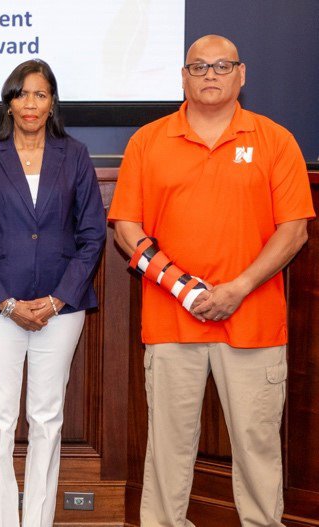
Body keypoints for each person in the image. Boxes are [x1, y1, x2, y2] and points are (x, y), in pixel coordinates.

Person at [108, 35, 315, 527]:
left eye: (222, 66)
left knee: (257, 445)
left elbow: (294, 232)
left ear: (241, 74)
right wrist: (181, 286)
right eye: (198, 67)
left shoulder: (275, 139)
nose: (210, 75)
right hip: (171, 322)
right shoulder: (148, 141)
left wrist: (238, 289)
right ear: (183, 77)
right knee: (166, 448)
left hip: (253, 323)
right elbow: (126, 229)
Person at [0, 59, 106, 526]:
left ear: (52, 103)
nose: (30, 103)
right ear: (9, 102)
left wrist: (58, 299)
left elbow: (92, 235)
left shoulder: (74, 155)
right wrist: (7, 303)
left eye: (40, 94)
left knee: (46, 418)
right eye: (22, 94)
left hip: (60, 310)